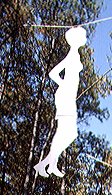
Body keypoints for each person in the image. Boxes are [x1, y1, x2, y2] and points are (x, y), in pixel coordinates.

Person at [34, 26, 86, 178]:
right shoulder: (73, 55)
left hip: (68, 97)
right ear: (77, 39)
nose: (85, 38)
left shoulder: (74, 55)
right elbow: (53, 73)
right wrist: (64, 85)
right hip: (65, 96)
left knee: (69, 133)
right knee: (68, 133)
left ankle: (48, 164)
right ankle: (46, 164)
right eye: (83, 36)